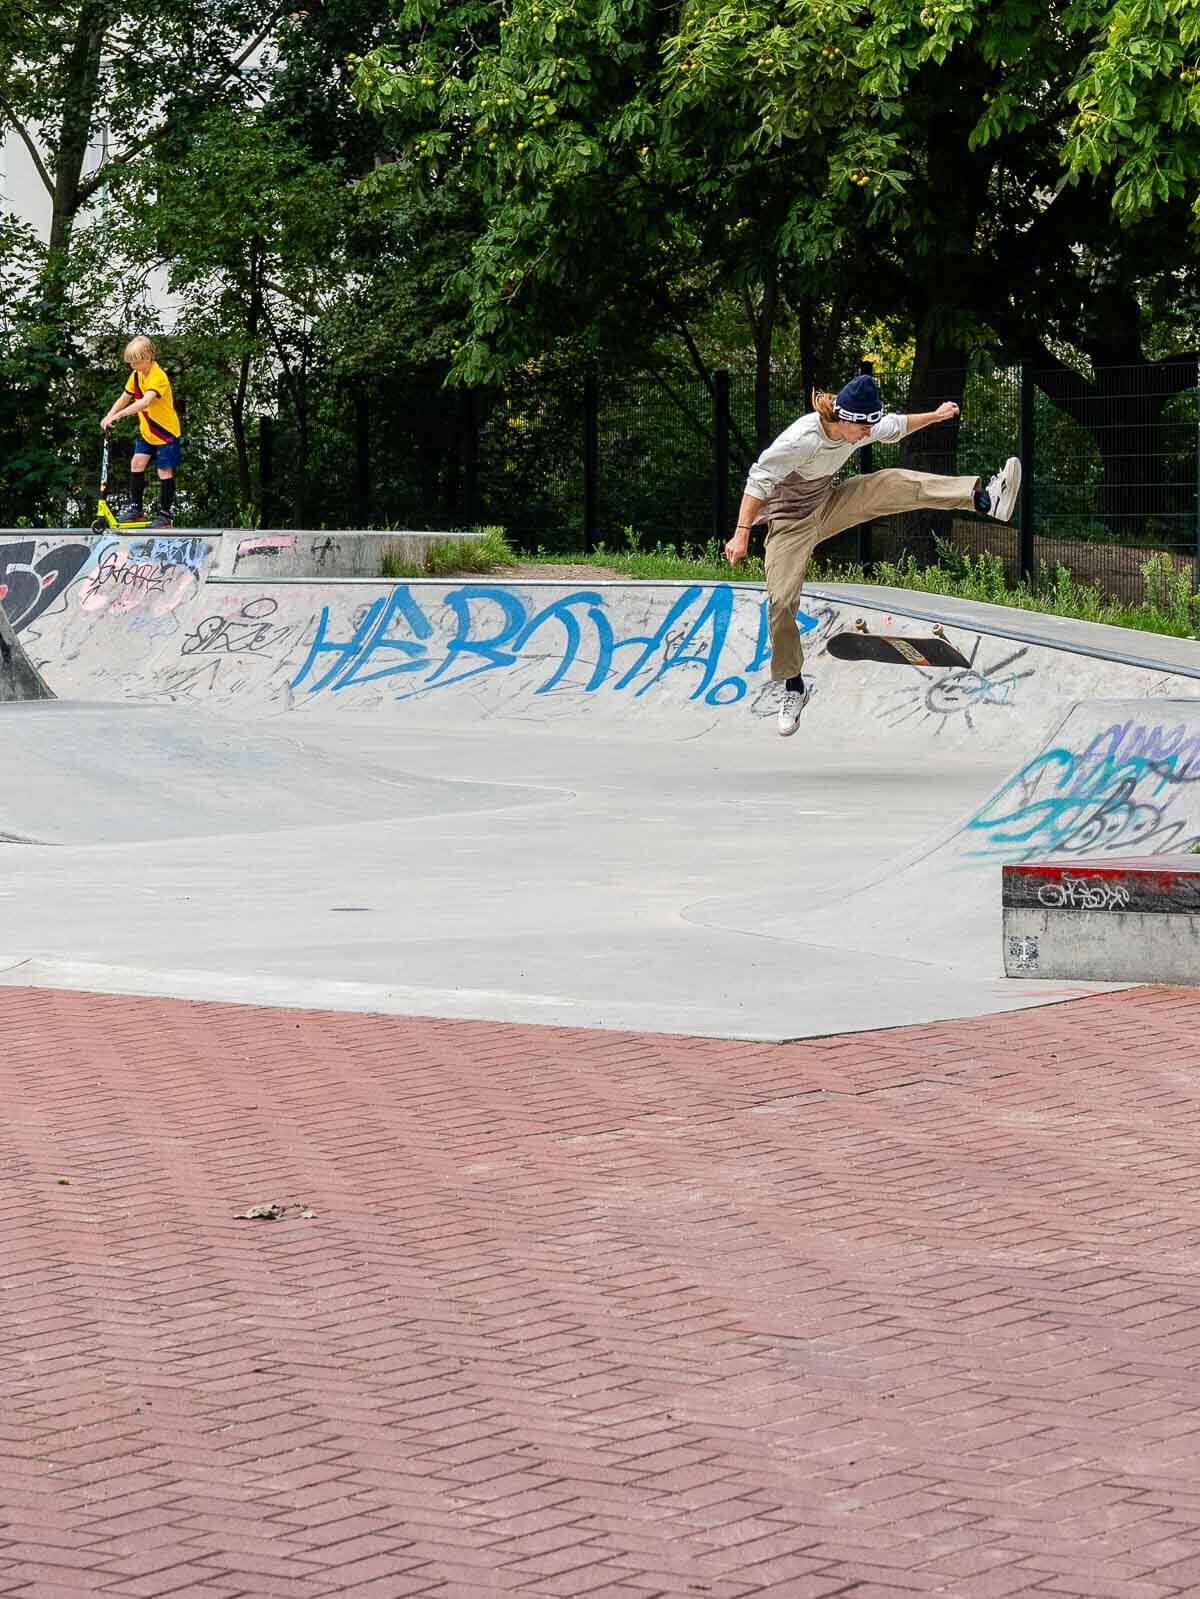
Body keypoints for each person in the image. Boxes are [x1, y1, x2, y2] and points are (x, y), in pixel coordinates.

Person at [724, 372, 1020, 736]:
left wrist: (936, 415)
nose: (866, 435)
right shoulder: (801, 439)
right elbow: (759, 479)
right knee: (781, 602)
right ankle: (793, 686)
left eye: (869, 428)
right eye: (861, 430)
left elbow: (894, 426)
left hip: (830, 503)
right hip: (791, 524)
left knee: (889, 482)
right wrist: (740, 535)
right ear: (843, 418)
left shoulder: (861, 422)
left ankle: (984, 498)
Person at [100, 335, 182, 528]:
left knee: (164, 470)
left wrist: (119, 416)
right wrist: (109, 415)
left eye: (135, 362)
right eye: (130, 363)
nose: (132, 366)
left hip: (165, 433)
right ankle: (136, 509)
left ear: (148, 357)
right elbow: (124, 397)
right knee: (136, 463)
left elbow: (144, 402)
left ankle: (165, 515)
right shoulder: (136, 375)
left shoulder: (158, 376)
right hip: (147, 432)